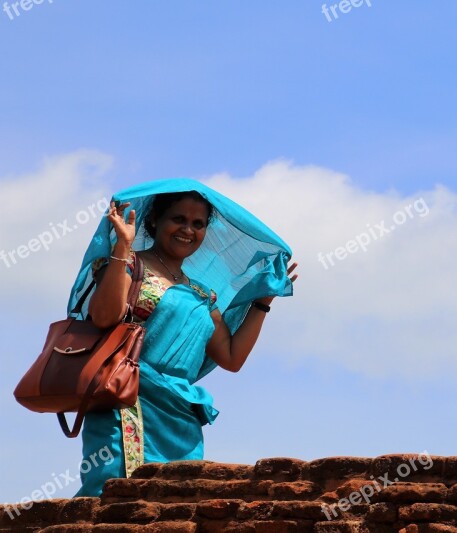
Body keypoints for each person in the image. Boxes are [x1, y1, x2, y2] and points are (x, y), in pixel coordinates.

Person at [71, 179, 298, 496]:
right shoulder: (127, 266)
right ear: (154, 220)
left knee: (174, 507)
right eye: (178, 219)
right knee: (113, 498)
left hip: (180, 417)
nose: (188, 230)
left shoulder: (202, 295)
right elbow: (104, 318)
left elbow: (231, 358)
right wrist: (122, 248)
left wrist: (263, 302)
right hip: (124, 404)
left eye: (198, 224)